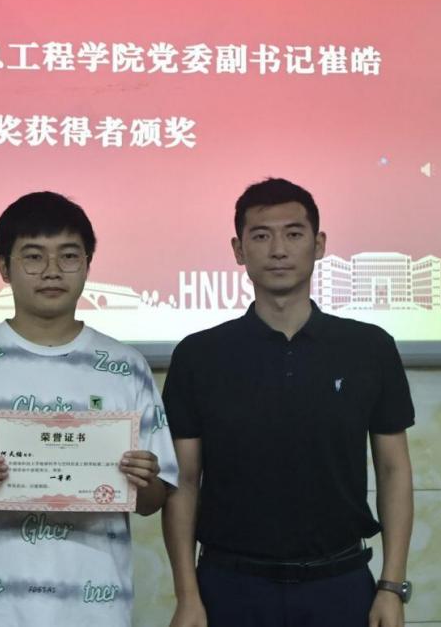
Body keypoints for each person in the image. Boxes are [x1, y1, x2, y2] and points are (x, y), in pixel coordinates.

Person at [0, 191, 178, 627]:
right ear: (3, 267)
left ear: (87, 264)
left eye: (69, 256)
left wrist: (144, 480)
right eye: (33, 256)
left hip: (95, 611)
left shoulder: (126, 367)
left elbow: (153, 498)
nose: (51, 271)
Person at [162, 178, 414, 627]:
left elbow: (394, 469)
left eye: (294, 234)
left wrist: (391, 587)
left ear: (319, 245)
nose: (278, 250)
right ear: (239, 250)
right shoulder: (199, 355)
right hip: (229, 584)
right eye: (261, 236)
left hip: (340, 582)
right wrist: (187, 595)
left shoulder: (369, 348)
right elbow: (183, 479)